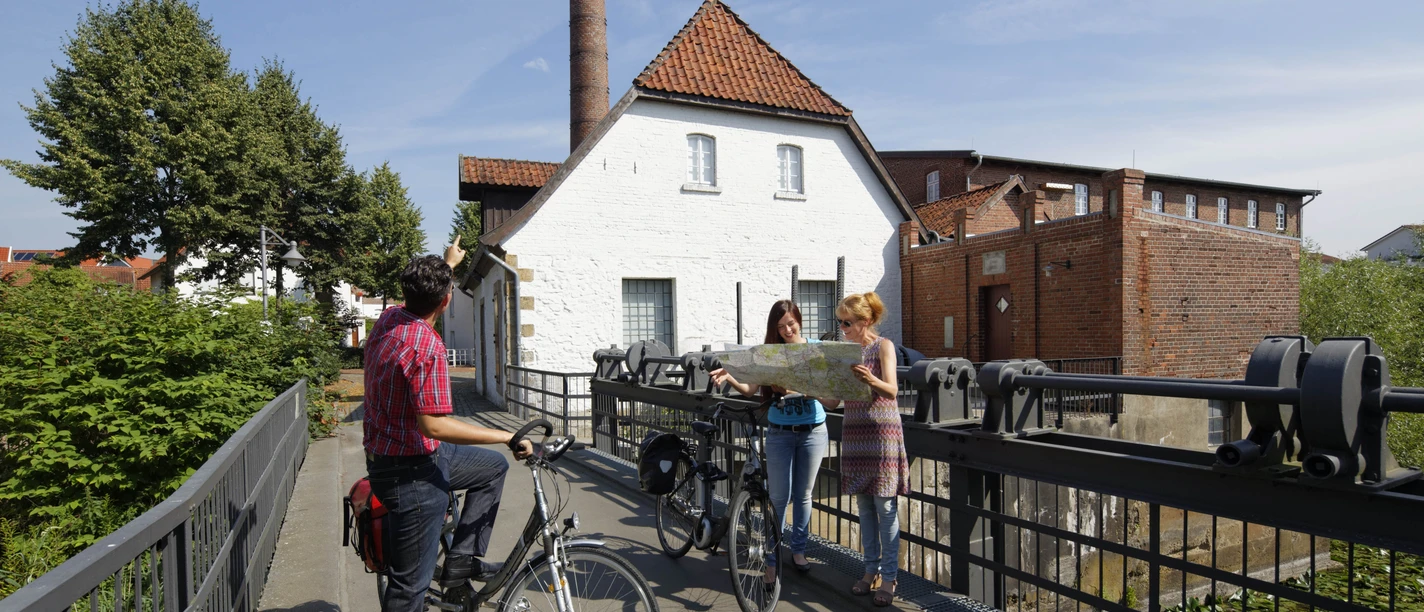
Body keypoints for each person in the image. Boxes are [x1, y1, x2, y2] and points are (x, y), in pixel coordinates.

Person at [363, 240, 534, 612]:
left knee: (492, 469)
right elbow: (434, 426)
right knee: (410, 588)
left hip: (392, 458)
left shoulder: (390, 319)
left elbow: (427, 299)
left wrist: (447, 265)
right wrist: (506, 435)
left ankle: (462, 560)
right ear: (446, 301)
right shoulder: (429, 347)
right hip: (410, 475)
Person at [710, 300, 832, 590]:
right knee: (778, 498)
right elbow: (751, 390)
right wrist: (730, 375)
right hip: (779, 432)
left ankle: (799, 551)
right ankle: (772, 562)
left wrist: (800, 389)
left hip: (813, 430)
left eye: (791, 323)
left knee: (803, 494)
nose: (787, 330)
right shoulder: (771, 353)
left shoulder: (815, 349)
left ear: (799, 320)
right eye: (781, 327)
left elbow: (831, 398)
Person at [837, 291, 909, 608]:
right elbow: (833, 399)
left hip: (880, 432)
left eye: (847, 323)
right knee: (864, 507)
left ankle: (890, 577)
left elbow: (892, 389)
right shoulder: (844, 352)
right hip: (854, 430)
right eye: (840, 322)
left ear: (865, 322)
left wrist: (869, 378)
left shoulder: (883, 346)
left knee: (884, 507)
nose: (842, 328)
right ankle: (870, 572)